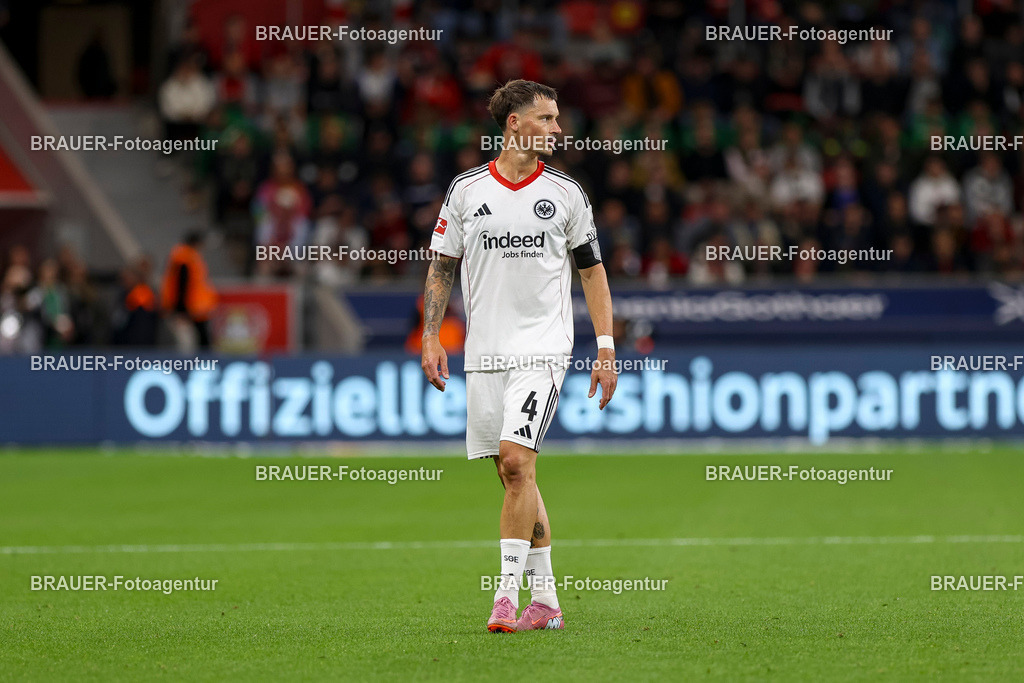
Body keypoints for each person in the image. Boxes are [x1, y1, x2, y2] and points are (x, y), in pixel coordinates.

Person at [419, 80, 617, 633]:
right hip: (484, 353)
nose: (557, 128)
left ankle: (504, 598)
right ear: (514, 124)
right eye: (547, 118)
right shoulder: (465, 191)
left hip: (543, 349)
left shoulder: (568, 195)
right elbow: (441, 267)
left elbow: (593, 273)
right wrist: (431, 336)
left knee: (515, 461)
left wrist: (605, 349)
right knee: (514, 478)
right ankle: (547, 601)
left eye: (557, 119)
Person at [161, 231, 217, 351]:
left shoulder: (187, 256)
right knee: (189, 344)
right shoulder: (184, 258)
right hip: (189, 308)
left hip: (194, 308)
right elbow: (182, 284)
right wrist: (180, 309)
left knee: (200, 340)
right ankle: (194, 366)